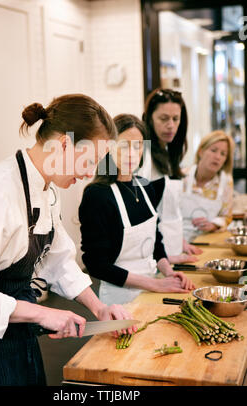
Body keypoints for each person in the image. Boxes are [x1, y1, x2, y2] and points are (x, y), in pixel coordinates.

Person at [0, 94, 136, 386]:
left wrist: (100, 309)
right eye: (88, 161)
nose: (89, 173)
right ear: (63, 144)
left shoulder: (45, 190)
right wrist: (43, 313)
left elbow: (57, 260)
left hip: (17, 335)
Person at [79, 113, 195, 306]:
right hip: (119, 299)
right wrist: (153, 284)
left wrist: (169, 272)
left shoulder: (145, 187)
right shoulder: (97, 195)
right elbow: (96, 265)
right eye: (124, 145)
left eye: (138, 145)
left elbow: (155, 240)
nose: (132, 153)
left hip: (153, 288)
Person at [139, 88, 202, 262]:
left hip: (171, 251)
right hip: (153, 256)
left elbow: (168, 211)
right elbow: (142, 216)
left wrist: (180, 242)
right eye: (164, 119)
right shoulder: (143, 155)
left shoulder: (169, 152)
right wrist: (165, 257)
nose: (171, 125)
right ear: (150, 119)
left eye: (176, 119)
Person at [180, 130, 235, 243]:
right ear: (201, 152)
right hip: (179, 241)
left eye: (223, 154)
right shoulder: (181, 177)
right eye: (213, 150)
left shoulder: (226, 182)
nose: (218, 157)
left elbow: (226, 217)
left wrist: (214, 225)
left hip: (207, 242)